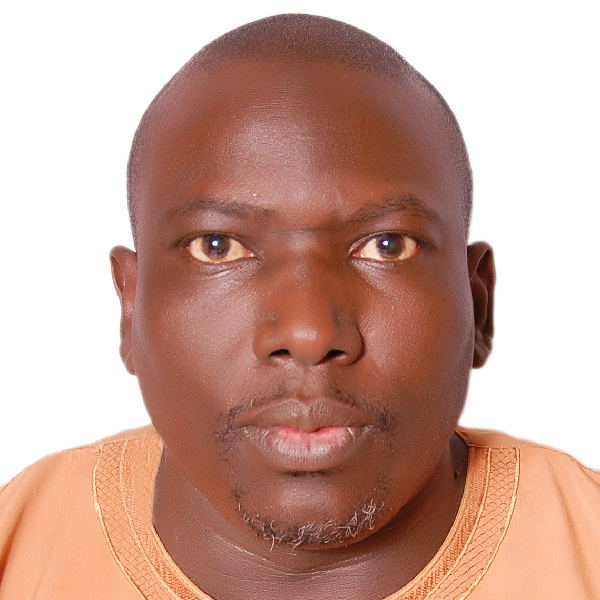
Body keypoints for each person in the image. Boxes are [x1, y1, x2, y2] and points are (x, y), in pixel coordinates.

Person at [0, 14, 598, 600]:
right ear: (130, 308)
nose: (309, 333)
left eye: (388, 246)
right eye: (218, 246)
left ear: (478, 305)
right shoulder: (18, 543)